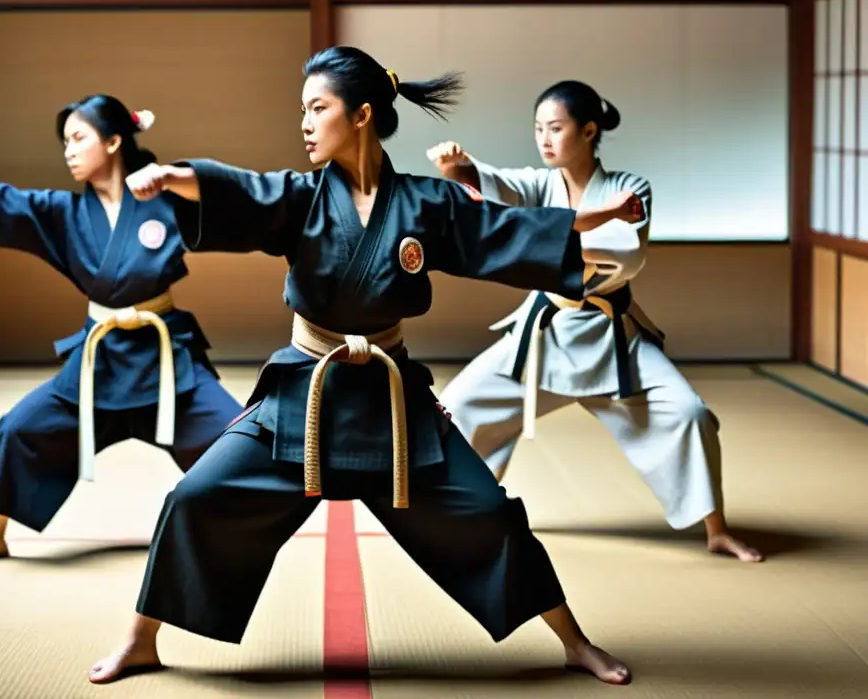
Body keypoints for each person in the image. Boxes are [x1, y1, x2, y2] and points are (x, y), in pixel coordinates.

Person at [87, 49, 643, 687]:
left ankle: (573, 642)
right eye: (302, 109)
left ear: (362, 115)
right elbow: (243, 190)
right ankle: (140, 638)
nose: (304, 122)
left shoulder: (427, 204)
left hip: (392, 404)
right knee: (195, 497)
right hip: (303, 395)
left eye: (317, 108)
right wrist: (172, 178)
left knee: (489, 513)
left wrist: (603, 213)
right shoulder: (301, 198)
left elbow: (510, 229)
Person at [0, 94, 244, 567]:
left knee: (238, 436)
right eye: (65, 142)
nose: (68, 151)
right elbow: (5, 202)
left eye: (78, 138)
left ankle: (238, 532)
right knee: (16, 430)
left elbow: (228, 201)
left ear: (114, 141)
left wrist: (172, 177)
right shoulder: (63, 213)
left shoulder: (167, 199)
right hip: (98, 361)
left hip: (165, 359)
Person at [426, 79, 762, 563]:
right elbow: (496, 188)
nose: (543, 138)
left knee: (688, 414)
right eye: (538, 128)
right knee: (457, 404)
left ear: (588, 131)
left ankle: (716, 528)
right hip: (543, 337)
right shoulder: (540, 185)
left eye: (555, 128)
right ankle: (464, 513)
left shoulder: (629, 189)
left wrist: (536, 238)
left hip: (612, 339)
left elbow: (624, 255)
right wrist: (460, 168)